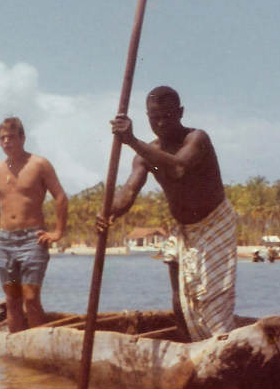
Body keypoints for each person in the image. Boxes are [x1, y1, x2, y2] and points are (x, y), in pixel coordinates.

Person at [97, 86, 237, 341]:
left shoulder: (196, 139)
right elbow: (129, 191)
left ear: (180, 113)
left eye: (167, 116)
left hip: (214, 224)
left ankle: (220, 346)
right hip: (182, 229)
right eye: (155, 118)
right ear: (147, 117)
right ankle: (187, 348)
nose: (161, 123)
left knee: (211, 299)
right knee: (180, 299)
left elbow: (178, 168)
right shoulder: (145, 154)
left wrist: (132, 141)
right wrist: (108, 212)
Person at [0, 116, 68, 332]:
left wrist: (58, 232)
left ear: (22, 138)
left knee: (31, 297)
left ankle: (37, 344)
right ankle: (16, 346)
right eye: (2, 138)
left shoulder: (39, 164)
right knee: (12, 299)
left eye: (11, 137)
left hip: (33, 240)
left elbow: (60, 197)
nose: (6, 142)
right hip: (6, 241)